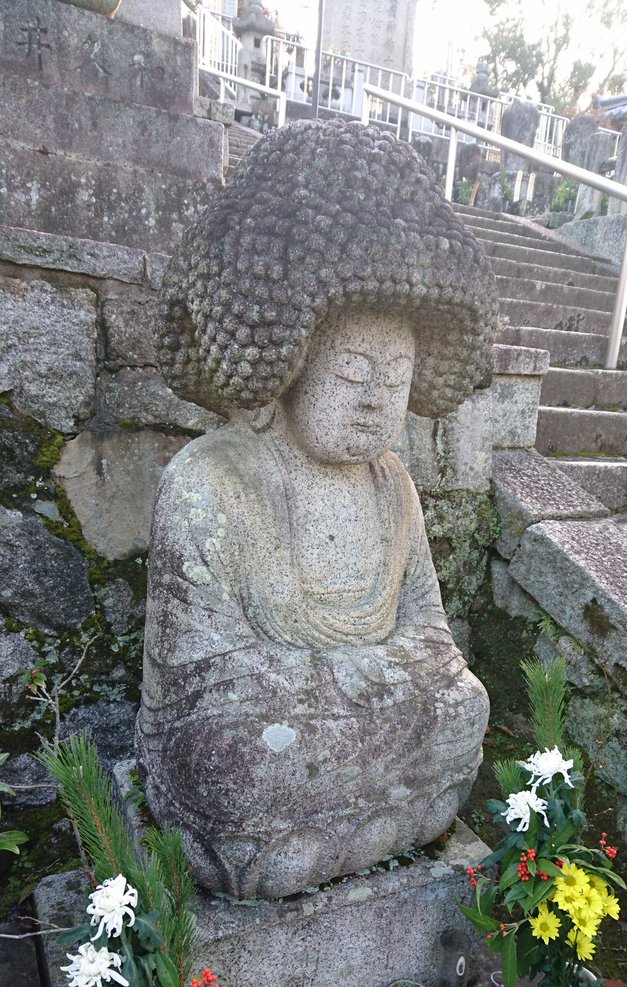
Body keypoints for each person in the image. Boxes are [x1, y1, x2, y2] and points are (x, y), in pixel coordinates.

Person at [136, 119, 499, 899]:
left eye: (394, 379)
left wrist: (389, 678)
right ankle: (318, 835)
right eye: (352, 374)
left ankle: (341, 831)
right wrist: (357, 685)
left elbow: (429, 630)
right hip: (261, 735)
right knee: (237, 766)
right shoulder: (210, 479)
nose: (375, 399)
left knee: (465, 705)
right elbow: (200, 673)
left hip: (347, 725)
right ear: (290, 372)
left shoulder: (392, 483)